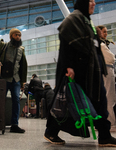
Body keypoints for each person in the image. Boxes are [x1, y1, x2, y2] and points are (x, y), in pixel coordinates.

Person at [44, 0, 116, 147]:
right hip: (78, 72)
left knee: (100, 101)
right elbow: (66, 43)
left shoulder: (86, 21)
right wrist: (69, 66)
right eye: (90, 1)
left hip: (92, 72)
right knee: (69, 105)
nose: (94, 3)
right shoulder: (73, 19)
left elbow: (94, 47)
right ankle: (51, 131)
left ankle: (104, 135)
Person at [0, 28, 27, 133]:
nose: (18, 37)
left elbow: (23, 66)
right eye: (16, 35)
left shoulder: (21, 50)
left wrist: (23, 81)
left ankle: (14, 124)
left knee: (16, 101)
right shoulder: (3, 46)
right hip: (3, 79)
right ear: (11, 36)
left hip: (16, 79)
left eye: (19, 35)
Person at [97, 25, 116, 127]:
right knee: (109, 97)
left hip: (105, 71)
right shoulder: (101, 44)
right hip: (107, 70)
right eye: (103, 32)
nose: (105, 34)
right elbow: (112, 58)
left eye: (106, 32)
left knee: (107, 97)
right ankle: (111, 123)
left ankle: (106, 122)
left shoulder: (101, 44)